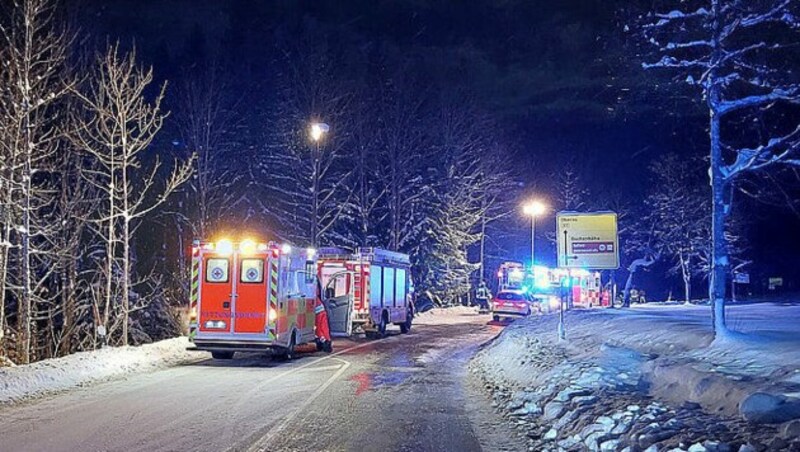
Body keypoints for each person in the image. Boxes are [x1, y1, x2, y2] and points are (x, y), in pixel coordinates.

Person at [314, 280, 333, 353]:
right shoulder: (315, 285)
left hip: (317, 311)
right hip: (320, 310)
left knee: (319, 328)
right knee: (323, 327)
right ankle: (326, 341)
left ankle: (325, 342)